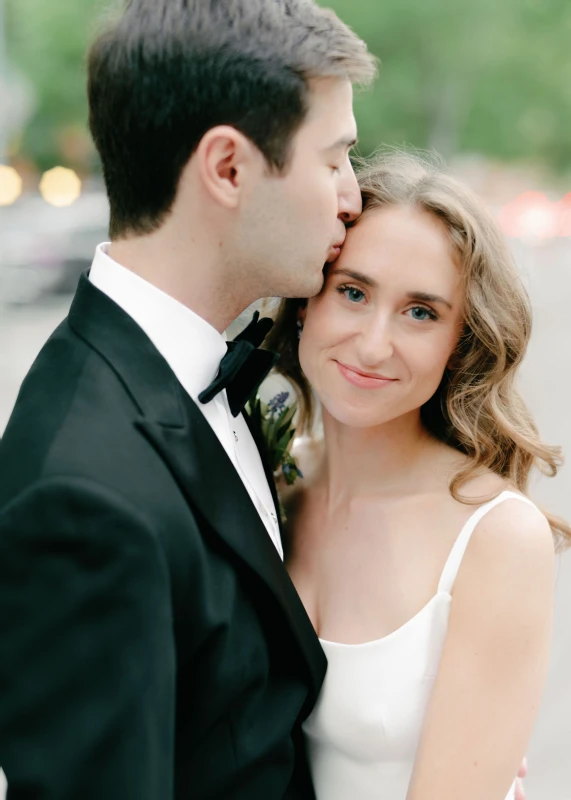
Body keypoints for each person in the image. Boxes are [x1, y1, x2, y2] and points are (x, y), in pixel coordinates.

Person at [0, 1, 375, 798]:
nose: (352, 197)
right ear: (228, 168)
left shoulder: (184, 379)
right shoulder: (85, 497)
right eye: (335, 157)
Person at [268, 151, 570, 800]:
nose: (374, 343)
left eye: (420, 312)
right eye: (352, 292)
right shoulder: (270, 479)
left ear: (460, 343)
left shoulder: (492, 536)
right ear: (304, 301)